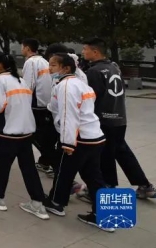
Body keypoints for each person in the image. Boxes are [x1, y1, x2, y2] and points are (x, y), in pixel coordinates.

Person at [44, 53, 111, 232]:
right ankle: (106, 216)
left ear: (66, 68)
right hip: (94, 136)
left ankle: (56, 203)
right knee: (94, 177)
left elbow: (69, 115)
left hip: (79, 138)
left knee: (64, 172)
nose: (49, 69)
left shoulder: (66, 86)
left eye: (53, 65)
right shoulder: (81, 84)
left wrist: (67, 143)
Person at [82, 38, 155, 199]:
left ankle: (107, 188)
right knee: (122, 152)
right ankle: (144, 185)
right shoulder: (114, 67)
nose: (83, 52)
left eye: (85, 49)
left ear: (95, 52)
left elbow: (91, 97)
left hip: (104, 119)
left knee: (104, 155)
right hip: (119, 118)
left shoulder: (94, 72)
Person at [0, 52, 49, 220]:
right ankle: (37, 203)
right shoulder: (21, 80)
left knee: (2, 166)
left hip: (8, 132)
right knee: (29, 168)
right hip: (26, 132)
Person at [21, 38, 56, 178]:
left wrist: (23, 104)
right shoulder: (43, 61)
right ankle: (45, 161)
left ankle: (54, 163)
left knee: (36, 136)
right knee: (44, 136)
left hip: (36, 104)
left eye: (22, 47)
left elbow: (28, 85)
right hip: (45, 103)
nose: (21, 49)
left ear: (28, 48)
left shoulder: (31, 62)